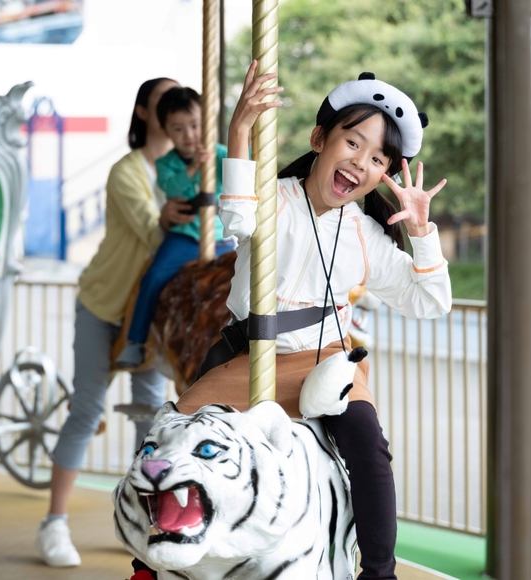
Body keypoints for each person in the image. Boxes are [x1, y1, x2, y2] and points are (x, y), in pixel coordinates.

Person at [173, 61, 452, 580]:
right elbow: (235, 217)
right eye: (353, 143)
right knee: (172, 441)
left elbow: (429, 302)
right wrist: (239, 131)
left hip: (323, 363)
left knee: (369, 448)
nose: (360, 162)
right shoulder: (273, 201)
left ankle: (378, 572)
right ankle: (154, 561)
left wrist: (421, 230)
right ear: (320, 138)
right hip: (248, 357)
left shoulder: (365, 234)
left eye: (377, 158)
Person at [35, 77, 196, 568]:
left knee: (150, 416)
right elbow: (152, 233)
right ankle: (54, 523)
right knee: (87, 407)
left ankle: (142, 518)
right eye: (164, 102)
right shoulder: (128, 171)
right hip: (106, 305)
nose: (176, 114)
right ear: (148, 113)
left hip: (148, 318)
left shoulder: (188, 165)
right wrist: (173, 218)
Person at [115, 86, 232, 368]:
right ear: (167, 131)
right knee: (154, 276)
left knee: (241, 279)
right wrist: (194, 169)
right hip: (186, 238)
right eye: (179, 129)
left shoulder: (219, 154)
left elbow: (240, 171)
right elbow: (172, 187)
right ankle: (136, 341)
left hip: (220, 237)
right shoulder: (166, 163)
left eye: (195, 125)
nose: (189, 135)